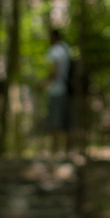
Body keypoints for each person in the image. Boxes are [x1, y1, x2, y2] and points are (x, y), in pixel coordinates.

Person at [45, 29, 73, 157]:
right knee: (66, 121)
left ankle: (54, 152)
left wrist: (44, 82)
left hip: (56, 90)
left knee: (55, 121)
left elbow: (54, 71)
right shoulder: (67, 49)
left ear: (54, 37)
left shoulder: (54, 51)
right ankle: (67, 151)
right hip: (68, 90)